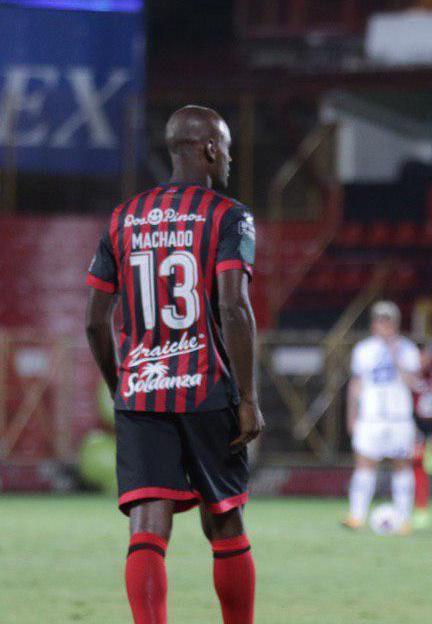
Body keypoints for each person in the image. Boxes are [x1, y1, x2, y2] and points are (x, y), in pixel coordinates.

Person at [84, 105, 261, 624]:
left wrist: (121, 385)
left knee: (147, 525)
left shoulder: (123, 217)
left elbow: (94, 322)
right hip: (207, 389)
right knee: (224, 521)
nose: (229, 160)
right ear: (209, 149)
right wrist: (249, 398)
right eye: (226, 149)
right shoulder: (229, 216)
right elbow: (234, 305)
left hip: (142, 390)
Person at [343, 301, 422, 534]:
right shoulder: (363, 350)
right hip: (371, 417)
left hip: (399, 417)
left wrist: (395, 356)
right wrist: (352, 415)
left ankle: (404, 519)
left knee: (402, 465)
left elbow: (413, 382)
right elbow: (356, 385)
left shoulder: (407, 349)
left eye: (388, 321)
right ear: (374, 324)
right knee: (364, 464)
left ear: (396, 324)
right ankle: (356, 515)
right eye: (380, 321)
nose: (384, 325)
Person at [410, 339, 432, 528]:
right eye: (424, 354)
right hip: (415, 424)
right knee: (418, 466)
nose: (427, 358)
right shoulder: (408, 372)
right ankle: (419, 508)